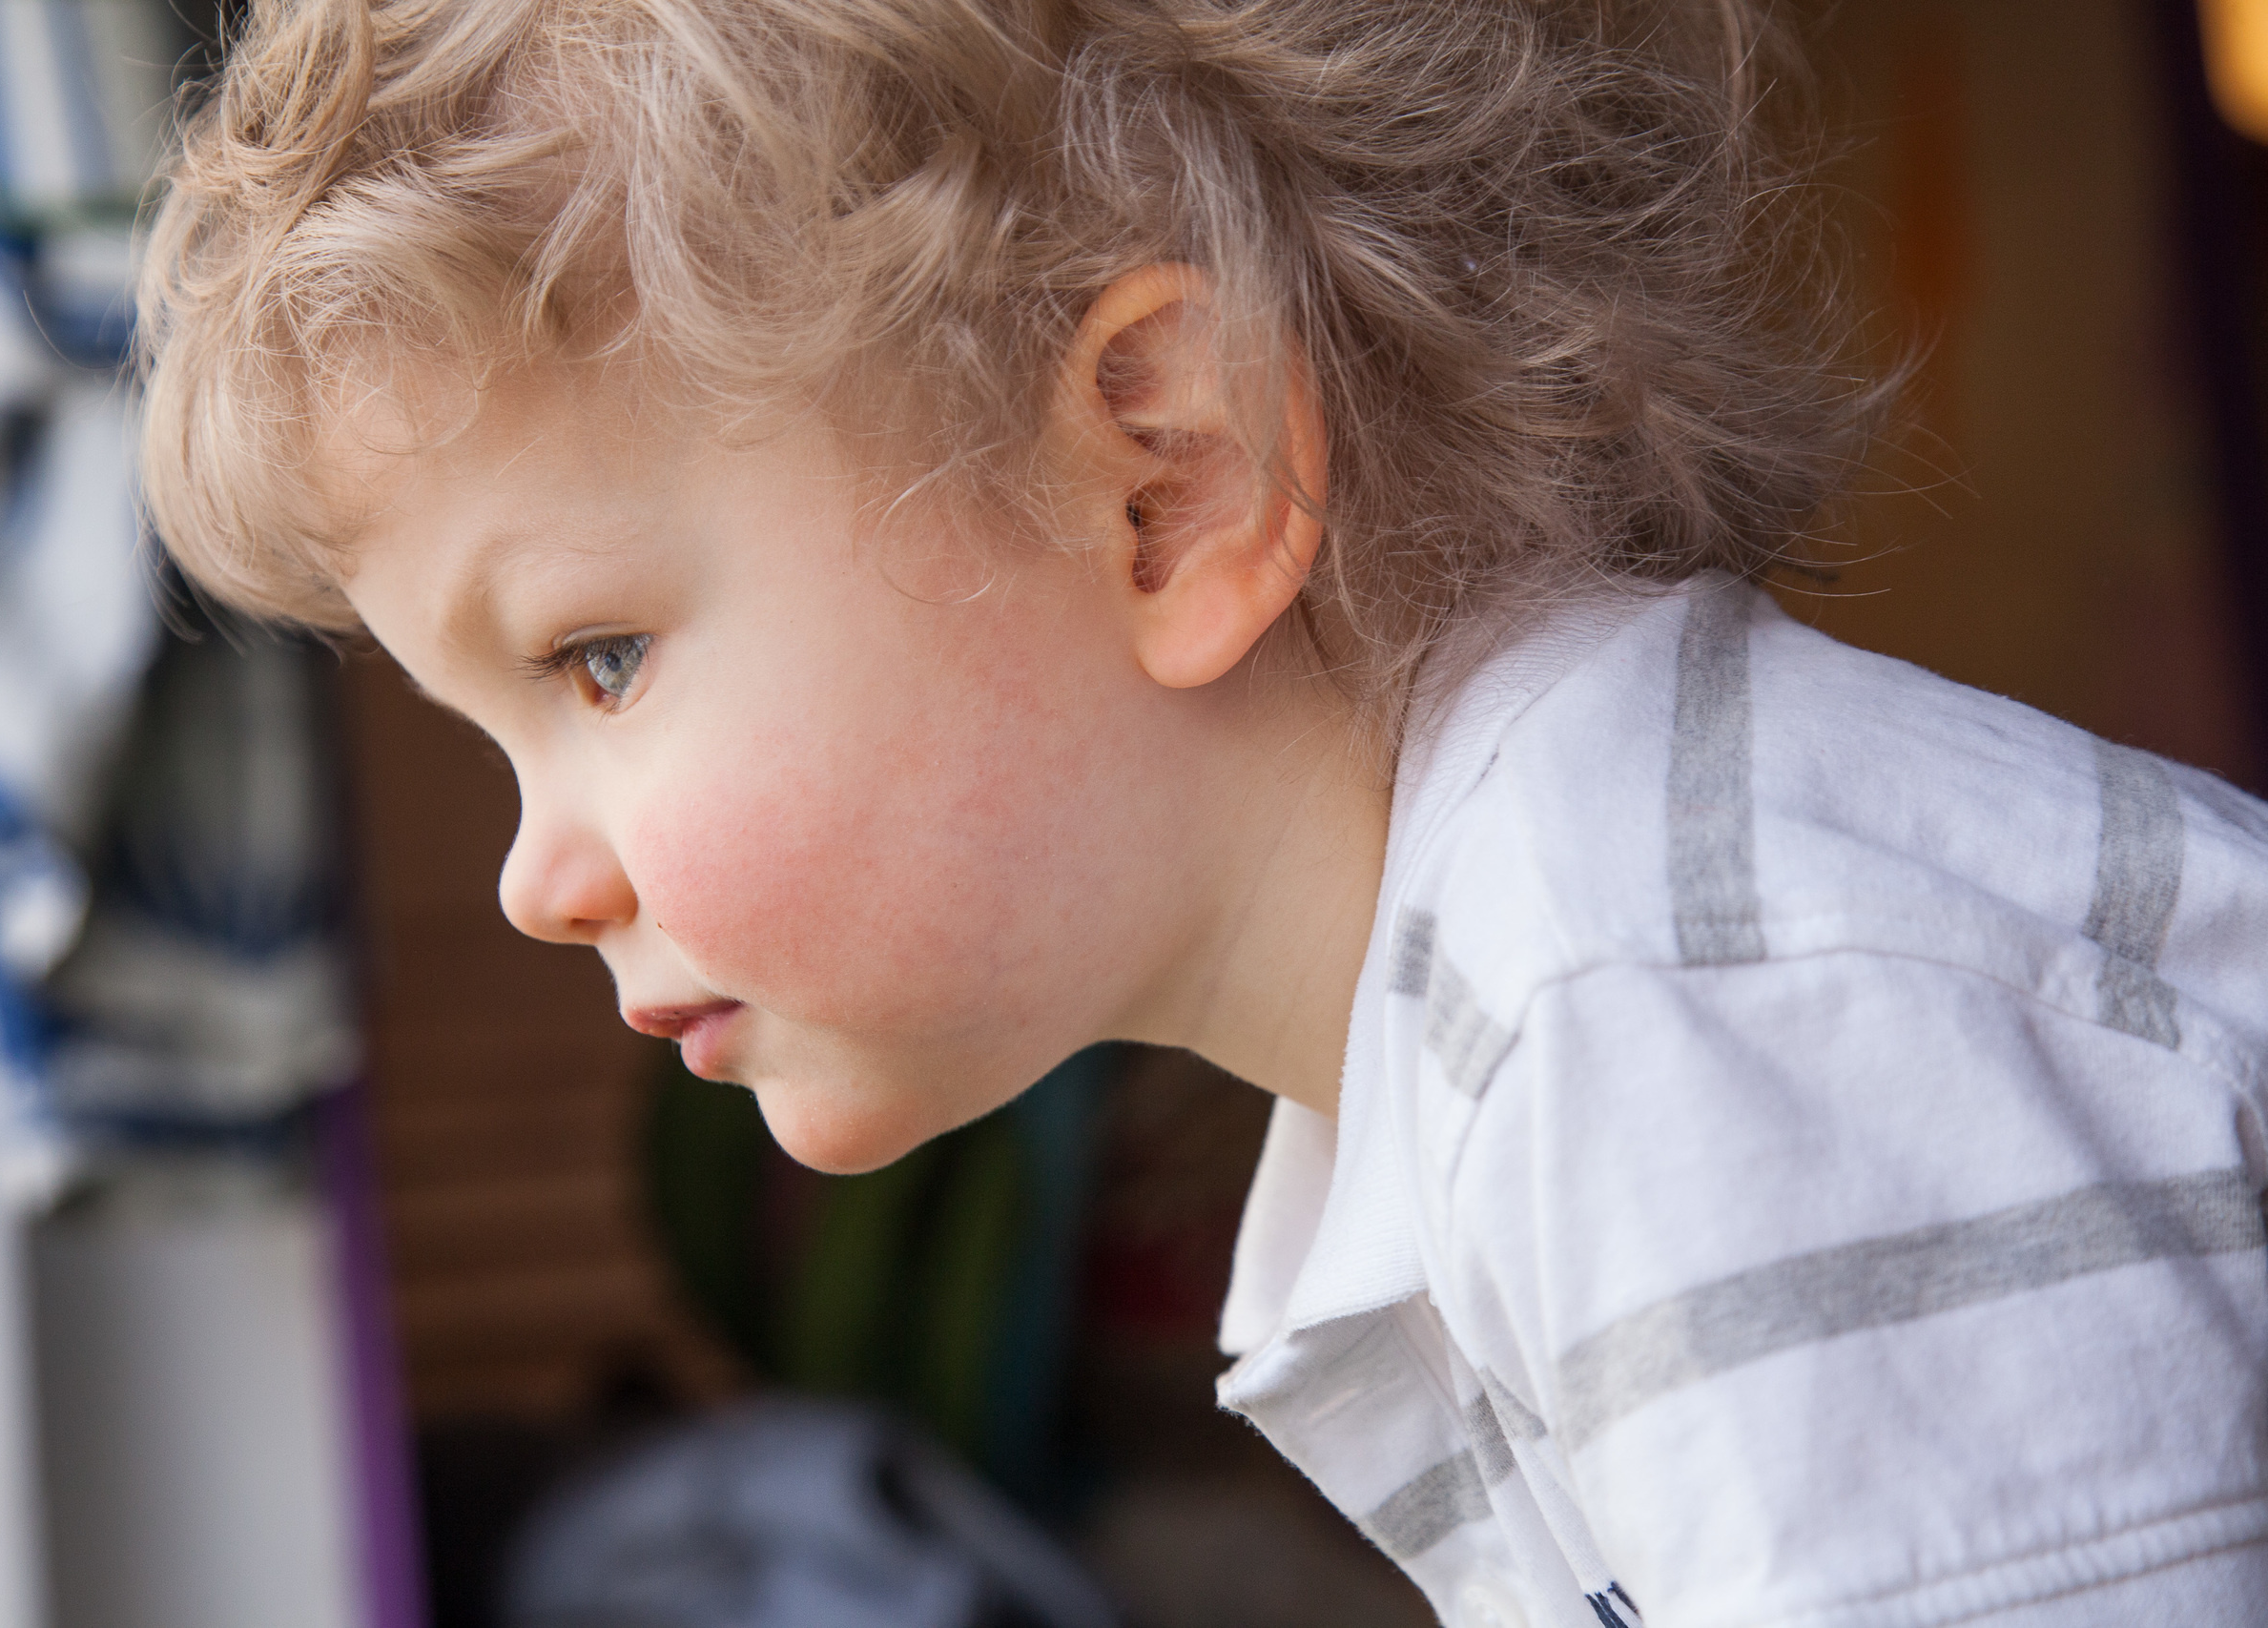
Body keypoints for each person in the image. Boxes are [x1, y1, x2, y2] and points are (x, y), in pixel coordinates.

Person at [134, 0, 2268, 1621]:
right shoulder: (1499, 1012)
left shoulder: (1672, 1009)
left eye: (594, 658)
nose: (529, 872)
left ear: (1164, 479)